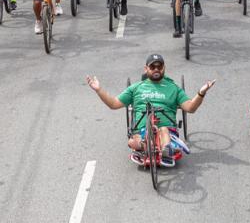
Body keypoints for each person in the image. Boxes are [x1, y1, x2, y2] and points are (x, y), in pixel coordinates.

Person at [86, 55, 215, 163]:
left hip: (167, 130)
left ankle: (165, 149)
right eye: (152, 67)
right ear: (146, 69)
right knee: (133, 142)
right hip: (142, 131)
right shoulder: (136, 88)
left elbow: (190, 108)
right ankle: (147, 146)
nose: (156, 69)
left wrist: (201, 93)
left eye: (159, 66)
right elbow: (113, 104)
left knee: (163, 130)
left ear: (164, 68)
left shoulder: (173, 88)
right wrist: (98, 90)